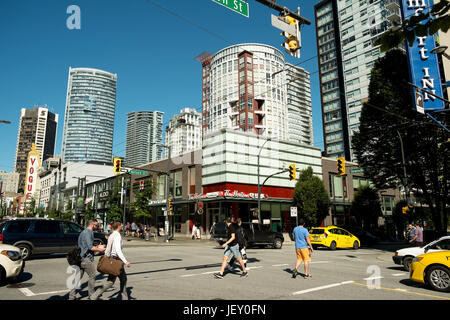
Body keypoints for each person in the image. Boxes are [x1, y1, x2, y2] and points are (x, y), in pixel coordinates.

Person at [90, 221, 131, 300]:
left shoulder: (111, 235)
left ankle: (94, 295)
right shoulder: (117, 235)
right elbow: (118, 250)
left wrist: (107, 256)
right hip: (116, 261)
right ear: (118, 226)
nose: (122, 226)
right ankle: (124, 297)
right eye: (121, 225)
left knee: (112, 280)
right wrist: (125, 261)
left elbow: (108, 248)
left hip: (112, 259)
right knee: (120, 279)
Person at [69, 219, 106, 300]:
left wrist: (97, 246)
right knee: (92, 275)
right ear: (92, 224)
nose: (97, 227)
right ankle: (92, 296)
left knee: (77, 278)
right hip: (85, 258)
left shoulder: (84, 232)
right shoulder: (88, 232)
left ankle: (71, 297)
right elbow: (90, 247)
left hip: (80, 258)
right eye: (96, 225)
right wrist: (100, 249)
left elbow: (86, 245)